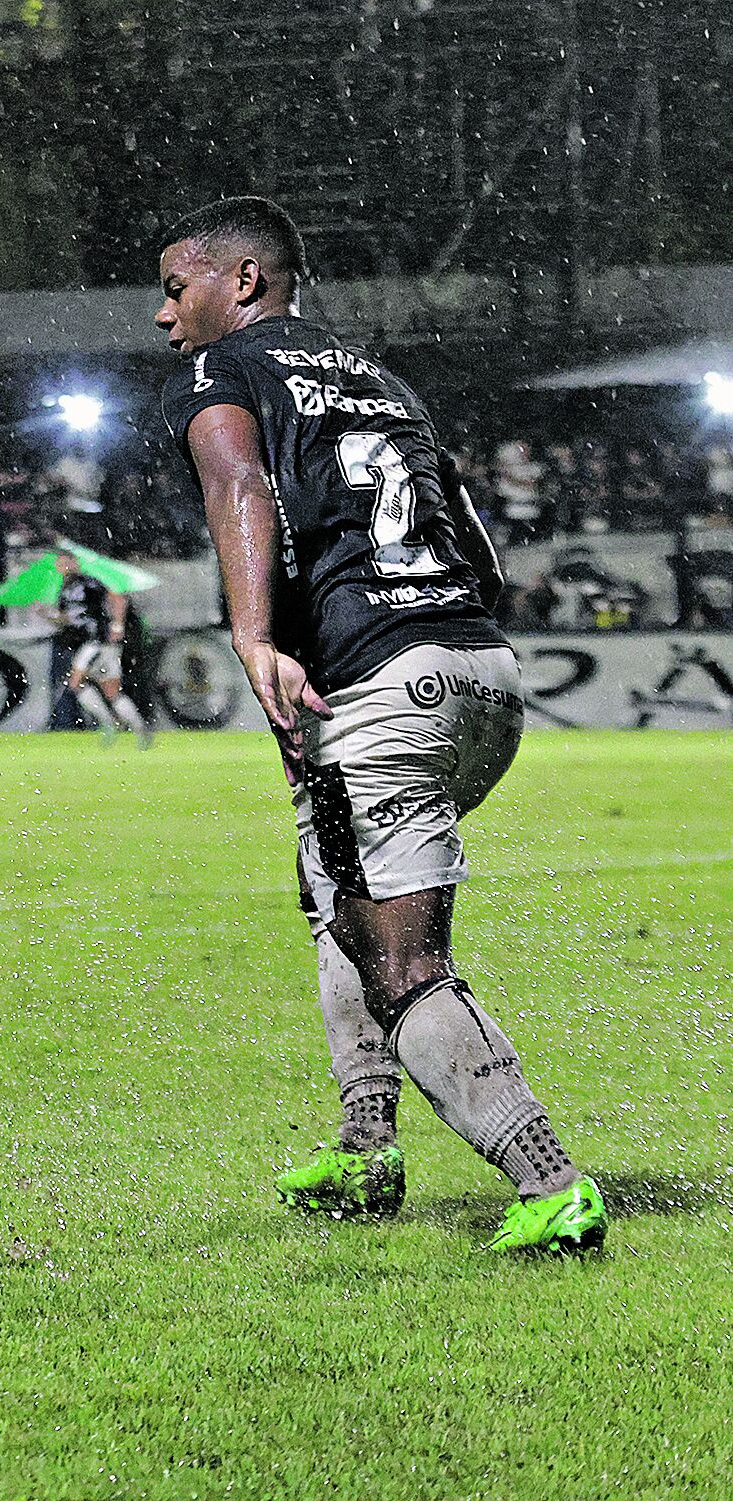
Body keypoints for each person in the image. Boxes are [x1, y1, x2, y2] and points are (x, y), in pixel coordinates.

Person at [157, 196, 603, 1253]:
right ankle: (364, 1147)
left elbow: (237, 484)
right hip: (477, 671)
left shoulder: (226, 372)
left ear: (243, 283)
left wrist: (254, 632)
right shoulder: (380, 379)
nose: (165, 316)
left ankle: (548, 1181)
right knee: (334, 899)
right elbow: (477, 552)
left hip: (383, 688)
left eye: (177, 289)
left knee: (401, 963)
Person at [47, 548, 151, 746]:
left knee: (76, 683)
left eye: (62, 562)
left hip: (97, 643)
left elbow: (117, 596)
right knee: (111, 692)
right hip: (91, 644)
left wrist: (117, 624)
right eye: (58, 563)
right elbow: (66, 619)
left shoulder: (88, 582)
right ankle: (140, 729)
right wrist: (46, 615)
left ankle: (109, 723)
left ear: (73, 562)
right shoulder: (64, 589)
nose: (59, 566)